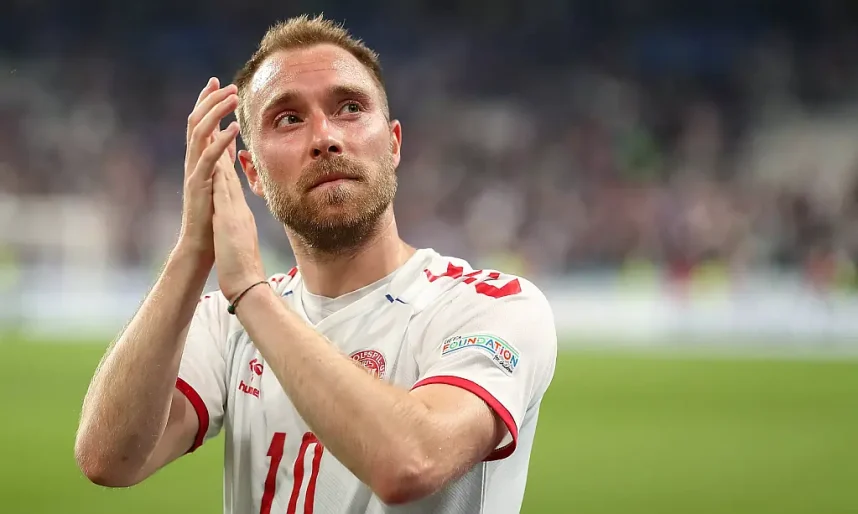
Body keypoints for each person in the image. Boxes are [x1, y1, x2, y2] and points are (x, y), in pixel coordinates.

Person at [74, 14, 557, 514]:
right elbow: (110, 459)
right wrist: (191, 254)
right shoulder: (223, 323)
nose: (325, 137)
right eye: (288, 118)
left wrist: (251, 294)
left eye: (349, 108)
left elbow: (411, 462)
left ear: (393, 144)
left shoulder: (490, 306)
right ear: (252, 174)